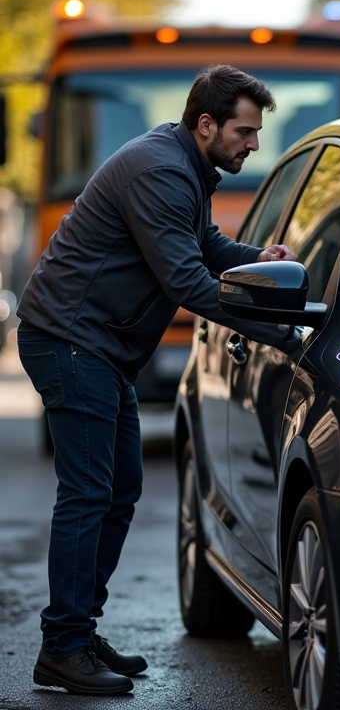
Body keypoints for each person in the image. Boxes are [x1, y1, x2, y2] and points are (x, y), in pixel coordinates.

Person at [15, 64, 296, 695]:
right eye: (245, 132)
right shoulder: (161, 171)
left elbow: (204, 245)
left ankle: (76, 632)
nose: (253, 145)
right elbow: (188, 282)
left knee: (120, 490)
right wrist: (281, 329)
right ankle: (62, 647)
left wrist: (260, 261)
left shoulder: (183, 167)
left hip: (99, 347)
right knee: (89, 495)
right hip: (71, 340)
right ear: (206, 125)